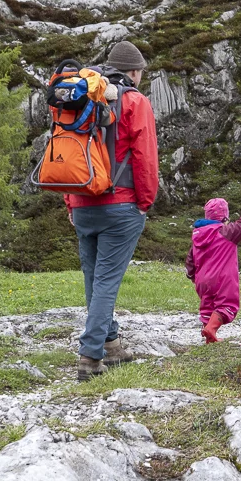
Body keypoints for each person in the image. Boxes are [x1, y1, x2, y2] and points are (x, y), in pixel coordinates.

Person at [65, 41, 159, 381]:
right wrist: (144, 202)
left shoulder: (83, 97)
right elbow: (145, 157)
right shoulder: (135, 101)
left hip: (81, 201)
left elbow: (71, 151)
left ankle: (112, 344)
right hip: (120, 204)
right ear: (133, 72)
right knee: (106, 281)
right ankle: (90, 356)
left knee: (94, 279)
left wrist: (71, 200)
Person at [186, 196, 241, 343]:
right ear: (225, 217)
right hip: (222, 280)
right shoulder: (226, 232)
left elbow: (190, 260)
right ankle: (211, 329)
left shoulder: (198, 236)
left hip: (202, 281)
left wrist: (192, 276)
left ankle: (210, 338)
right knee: (227, 305)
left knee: (207, 308)